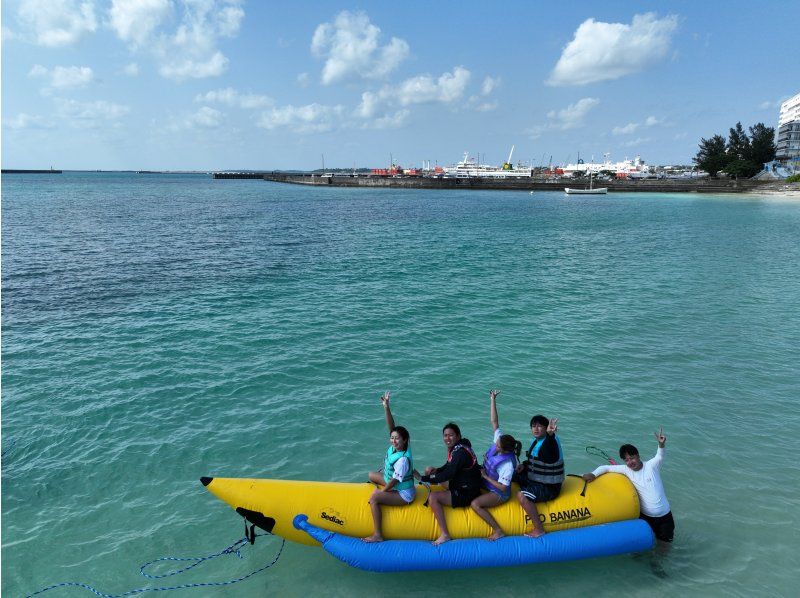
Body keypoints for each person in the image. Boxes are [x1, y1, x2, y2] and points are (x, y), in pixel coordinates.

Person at [582, 428, 674, 543]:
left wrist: (661, 444)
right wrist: (593, 474)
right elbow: (605, 467)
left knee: (664, 545)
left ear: (638, 455)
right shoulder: (626, 470)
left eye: (632, 458)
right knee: (640, 545)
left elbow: (659, 456)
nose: (630, 462)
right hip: (644, 517)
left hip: (665, 516)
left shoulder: (651, 466)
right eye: (626, 460)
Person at [362, 391, 415, 543]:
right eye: (392, 438)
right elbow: (392, 427)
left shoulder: (403, 459)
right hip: (392, 482)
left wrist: (382, 492)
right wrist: (386, 407)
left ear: (405, 440)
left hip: (404, 493)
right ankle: (383, 492)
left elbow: (394, 481)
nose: (393, 440)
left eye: (397, 438)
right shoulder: (398, 446)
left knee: (374, 498)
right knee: (371, 475)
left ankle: (378, 534)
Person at [420, 422, 482, 545]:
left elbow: (449, 474)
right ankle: (444, 494)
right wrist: (435, 471)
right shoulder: (459, 446)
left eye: (451, 435)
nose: (447, 438)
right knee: (429, 470)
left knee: (433, 497)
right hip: (461, 482)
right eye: (445, 435)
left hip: (467, 492)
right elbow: (449, 466)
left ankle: (445, 534)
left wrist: (423, 478)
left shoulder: (460, 453)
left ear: (458, 436)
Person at [470, 390, 519, 540]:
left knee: (475, 504)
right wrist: (492, 400)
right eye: (497, 443)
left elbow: (504, 487)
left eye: (498, 446)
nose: (495, 446)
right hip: (486, 482)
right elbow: (494, 422)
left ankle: (498, 530)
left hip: (499, 493)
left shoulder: (507, 465)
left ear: (505, 450)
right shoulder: (500, 440)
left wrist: (485, 476)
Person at [515, 414, 564, 538]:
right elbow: (537, 460)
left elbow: (550, 454)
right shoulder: (537, 441)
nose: (536, 429)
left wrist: (550, 435)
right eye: (533, 426)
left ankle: (539, 529)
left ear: (546, 428)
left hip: (549, 487)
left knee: (522, 496)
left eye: (539, 426)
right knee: (512, 474)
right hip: (536, 479)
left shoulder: (550, 442)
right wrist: (524, 465)